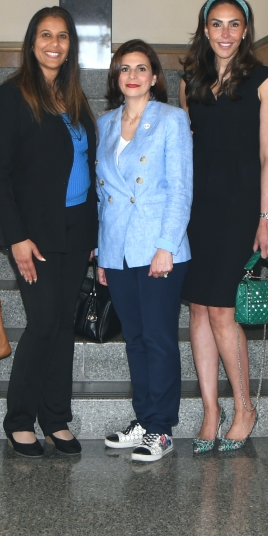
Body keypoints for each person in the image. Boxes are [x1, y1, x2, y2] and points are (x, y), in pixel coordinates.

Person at [0, 6, 97, 458]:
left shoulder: (74, 99)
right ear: (32, 42)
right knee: (43, 320)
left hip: (76, 229)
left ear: (72, 45)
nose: (54, 43)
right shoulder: (12, 96)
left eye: (63, 36)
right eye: (46, 35)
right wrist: (16, 237)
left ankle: (55, 418)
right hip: (35, 232)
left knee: (63, 325)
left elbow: (87, 167)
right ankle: (19, 419)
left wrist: (92, 237)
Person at [179, 0, 268, 452]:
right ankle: (210, 409)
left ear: (246, 30)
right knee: (198, 308)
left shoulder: (264, 81)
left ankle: (244, 407)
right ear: (205, 29)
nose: (225, 33)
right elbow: (185, 151)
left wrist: (266, 217)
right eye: (217, 24)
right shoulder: (190, 82)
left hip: (240, 208)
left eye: (234, 24)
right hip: (198, 207)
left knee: (222, 309)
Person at [96, 39, 193, 462]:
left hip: (158, 247)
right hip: (117, 249)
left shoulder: (172, 121)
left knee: (158, 338)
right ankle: (143, 419)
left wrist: (166, 246)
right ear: (116, 78)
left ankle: (162, 428)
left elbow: (180, 189)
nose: (132, 75)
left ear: (154, 77)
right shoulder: (103, 124)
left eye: (140, 68)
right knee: (134, 339)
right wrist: (102, 254)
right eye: (124, 69)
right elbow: (102, 197)